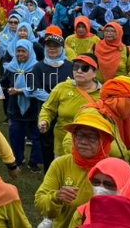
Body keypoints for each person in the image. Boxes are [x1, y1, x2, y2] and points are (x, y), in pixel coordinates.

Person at [35, 114, 116, 228]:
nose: (83, 142)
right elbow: (40, 202)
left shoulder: (114, 169)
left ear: (104, 140)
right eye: (79, 135)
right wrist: (56, 197)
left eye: (91, 137)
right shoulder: (60, 164)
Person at [39, 54, 103, 163]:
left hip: (91, 149)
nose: (79, 71)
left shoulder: (103, 94)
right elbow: (48, 108)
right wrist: (44, 120)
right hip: (62, 147)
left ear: (95, 73)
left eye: (84, 68)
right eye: (76, 67)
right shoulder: (62, 87)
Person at [0, 39, 45, 172]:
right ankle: (18, 158)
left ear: (30, 52)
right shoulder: (12, 67)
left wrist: (20, 91)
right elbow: (4, 82)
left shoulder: (37, 68)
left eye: (23, 51)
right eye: (18, 51)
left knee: (37, 136)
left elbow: (38, 88)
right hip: (15, 108)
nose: (20, 54)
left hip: (34, 109)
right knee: (16, 134)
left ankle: (34, 162)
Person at [32, 29, 75, 171]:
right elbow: (35, 89)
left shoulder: (71, 66)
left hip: (66, 113)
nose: (52, 49)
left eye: (55, 46)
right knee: (47, 144)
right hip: (46, 112)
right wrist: (55, 100)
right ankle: (49, 174)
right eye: (49, 46)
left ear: (62, 48)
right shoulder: (38, 66)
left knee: (67, 143)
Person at [72, 157, 130, 226]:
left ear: (126, 186)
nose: (100, 188)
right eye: (96, 182)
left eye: (109, 184)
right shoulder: (82, 213)